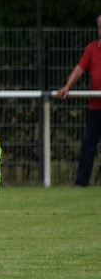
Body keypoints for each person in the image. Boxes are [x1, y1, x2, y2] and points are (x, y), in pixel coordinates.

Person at [56, 15, 101, 187]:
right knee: (88, 145)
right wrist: (67, 86)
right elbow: (79, 69)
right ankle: (81, 182)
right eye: (99, 26)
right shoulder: (92, 49)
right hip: (95, 108)